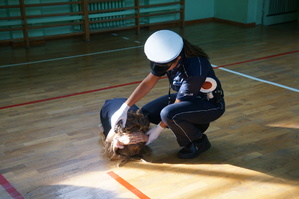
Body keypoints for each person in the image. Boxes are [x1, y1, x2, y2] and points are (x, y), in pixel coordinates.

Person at [110, 30, 225, 159]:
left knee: (168, 114)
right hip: (189, 101)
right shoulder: (167, 59)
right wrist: (124, 107)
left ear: (178, 58)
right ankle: (194, 126)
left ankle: (199, 141)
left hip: (209, 105)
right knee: (144, 113)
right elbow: (147, 83)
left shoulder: (194, 68)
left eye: (164, 67)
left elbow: (178, 105)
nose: (160, 69)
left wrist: (158, 129)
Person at [100, 98, 149, 166]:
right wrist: (117, 140)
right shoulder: (117, 128)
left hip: (126, 101)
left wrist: (147, 138)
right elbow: (107, 142)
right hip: (108, 106)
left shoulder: (145, 123)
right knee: (105, 133)